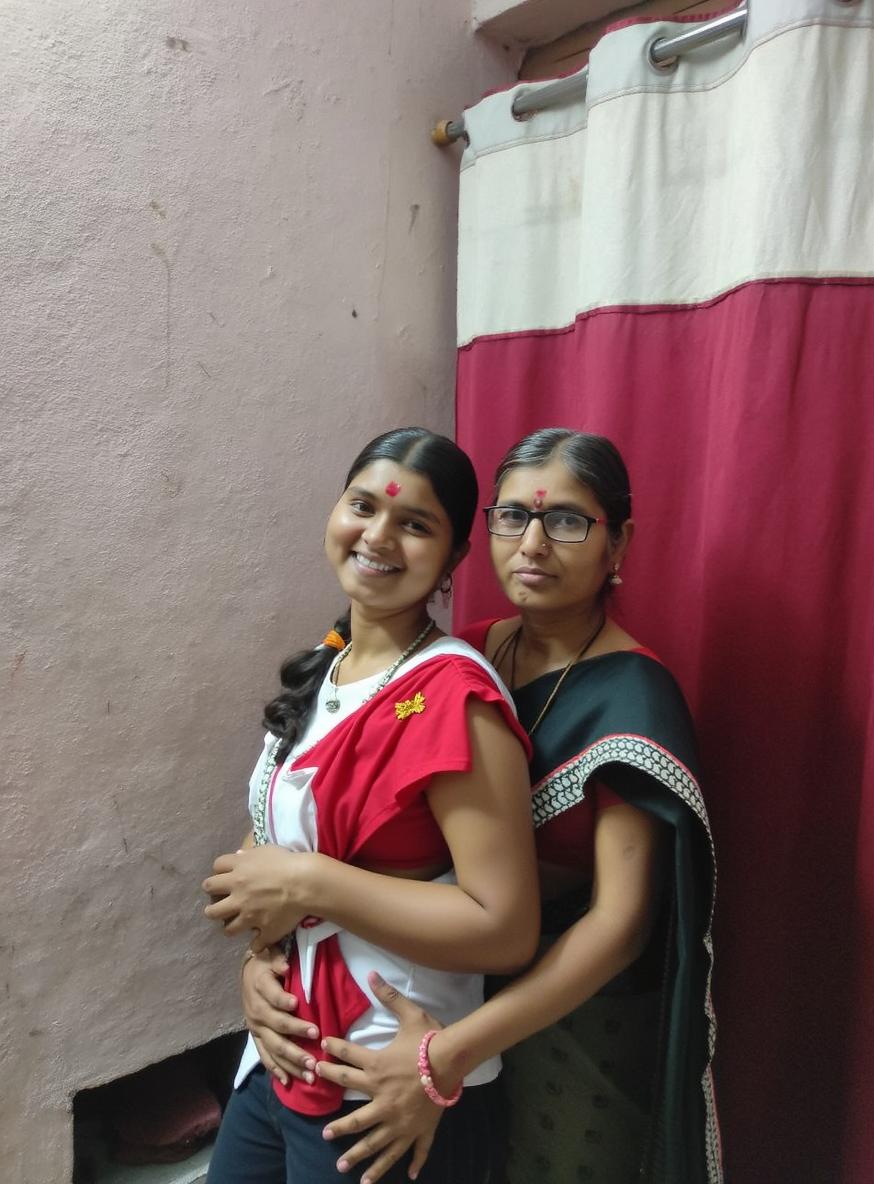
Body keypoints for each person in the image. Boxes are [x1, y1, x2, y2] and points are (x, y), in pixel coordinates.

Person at [241, 429, 721, 1184]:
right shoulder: (451, 656)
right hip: (427, 987)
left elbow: (620, 927)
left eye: (566, 520)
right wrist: (262, 962)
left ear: (618, 543)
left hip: (568, 1020)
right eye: (511, 517)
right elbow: (319, 827)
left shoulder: (633, 697)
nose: (532, 544)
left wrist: (446, 1057)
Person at [201, 427, 540, 1184]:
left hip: (381, 1080)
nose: (378, 534)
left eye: (416, 524)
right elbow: (264, 863)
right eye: (363, 505)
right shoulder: (324, 669)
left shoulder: (454, 697)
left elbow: (506, 927)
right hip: (278, 1056)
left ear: (453, 560)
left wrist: (311, 886)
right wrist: (255, 966)